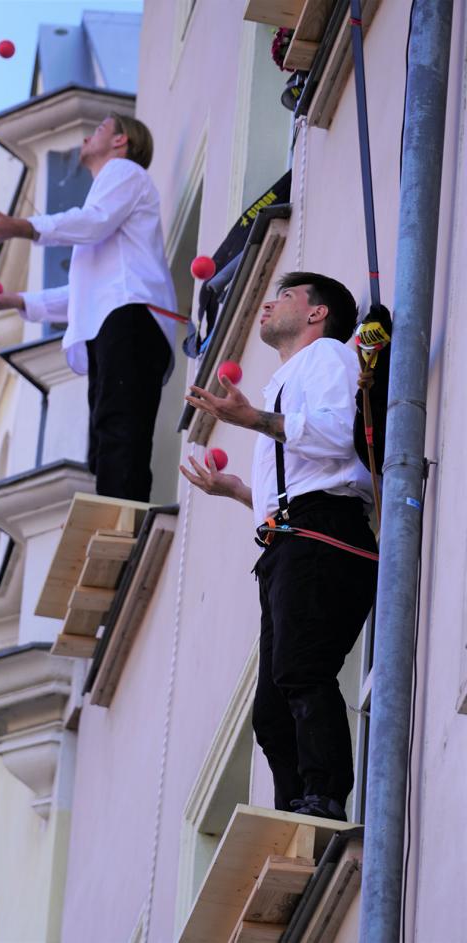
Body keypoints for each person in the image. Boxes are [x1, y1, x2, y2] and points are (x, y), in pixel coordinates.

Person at [180, 272, 378, 821]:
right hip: (291, 540)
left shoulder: (329, 357)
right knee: (270, 713)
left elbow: (339, 439)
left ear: (317, 313)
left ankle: (323, 801)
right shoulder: (288, 379)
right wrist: (239, 492)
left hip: (322, 534)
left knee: (302, 670)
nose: (268, 304)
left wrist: (254, 420)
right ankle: (294, 815)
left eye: (285, 296)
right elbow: (301, 486)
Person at [0, 113, 176, 502]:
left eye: (99, 129)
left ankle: (119, 520)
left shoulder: (124, 172)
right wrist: (17, 301)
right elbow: (85, 294)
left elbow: (93, 222)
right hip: (120, 318)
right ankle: (114, 516)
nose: (88, 136)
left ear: (121, 141)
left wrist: (21, 227)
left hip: (130, 317)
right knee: (107, 436)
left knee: (117, 426)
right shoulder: (110, 197)